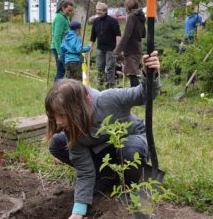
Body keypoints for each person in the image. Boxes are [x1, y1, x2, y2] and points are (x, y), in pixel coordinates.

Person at [45, 51, 161, 219]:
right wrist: (78, 213)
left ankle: (132, 187)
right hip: (103, 148)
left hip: (130, 138)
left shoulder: (108, 100)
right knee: (57, 142)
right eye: (54, 116)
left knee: (130, 151)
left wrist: (150, 73)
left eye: (62, 115)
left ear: (78, 108)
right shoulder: (72, 131)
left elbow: (144, 95)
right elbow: (84, 172)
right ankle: (107, 177)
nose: (58, 122)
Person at [114, 0, 146, 87]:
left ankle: (136, 94)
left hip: (131, 48)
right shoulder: (141, 16)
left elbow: (126, 35)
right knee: (133, 71)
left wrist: (117, 50)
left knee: (132, 73)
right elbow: (143, 33)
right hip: (138, 45)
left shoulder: (131, 16)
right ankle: (137, 92)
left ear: (127, 6)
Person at [89, 2, 121, 88]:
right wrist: (90, 47)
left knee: (110, 67)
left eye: (100, 10)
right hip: (100, 48)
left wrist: (117, 48)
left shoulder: (113, 21)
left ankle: (110, 85)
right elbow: (93, 36)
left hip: (111, 49)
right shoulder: (95, 21)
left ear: (105, 11)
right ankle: (100, 84)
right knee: (100, 66)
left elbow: (118, 35)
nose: (98, 12)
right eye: (97, 10)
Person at [174, 1, 203, 85]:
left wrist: (197, 43)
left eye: (189, 6)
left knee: (192, 62)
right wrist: (182, 42)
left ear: (193, 7)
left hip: (193, 41)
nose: (187, 8)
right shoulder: (187, 18)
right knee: (178, 61)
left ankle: (190, 82)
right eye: (186, 6)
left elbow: (199, 31)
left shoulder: (197, 17)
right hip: (185, 40)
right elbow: (185, 31)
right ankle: (177, 81)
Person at [51, 0, 74, 82]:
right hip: (60, 48)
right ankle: (56, 92)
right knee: (61, 71)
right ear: (63, 8)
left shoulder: (65, 18)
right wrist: (59, 52)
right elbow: (57, 37)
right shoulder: (60, 18)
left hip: (65, 48)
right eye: (69, 10)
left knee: (63, 71)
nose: (70, 13)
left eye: (71, 11)